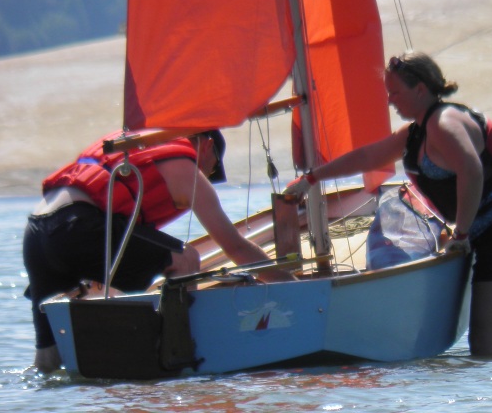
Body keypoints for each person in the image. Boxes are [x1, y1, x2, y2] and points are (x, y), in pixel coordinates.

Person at [285, 51, 492, 356]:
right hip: (483, 234)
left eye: (395, 92)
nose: (390, 101)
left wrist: (460, 234)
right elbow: (368, 156)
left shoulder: (445, 122)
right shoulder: (416, 132)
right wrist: (312, 178)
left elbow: (471, 169)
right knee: (483, 348)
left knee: (486, 348)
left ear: (420, 89)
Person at [23, 129, 294, 374]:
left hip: (36, 235)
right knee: (186, 259)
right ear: (207, 146)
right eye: (211, 171)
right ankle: (182, 355)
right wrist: (290, 287)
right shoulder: (186, 169)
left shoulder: (140, 147)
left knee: (47, 360)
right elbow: (234, 246)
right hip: (77, 227)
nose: (207, 178)